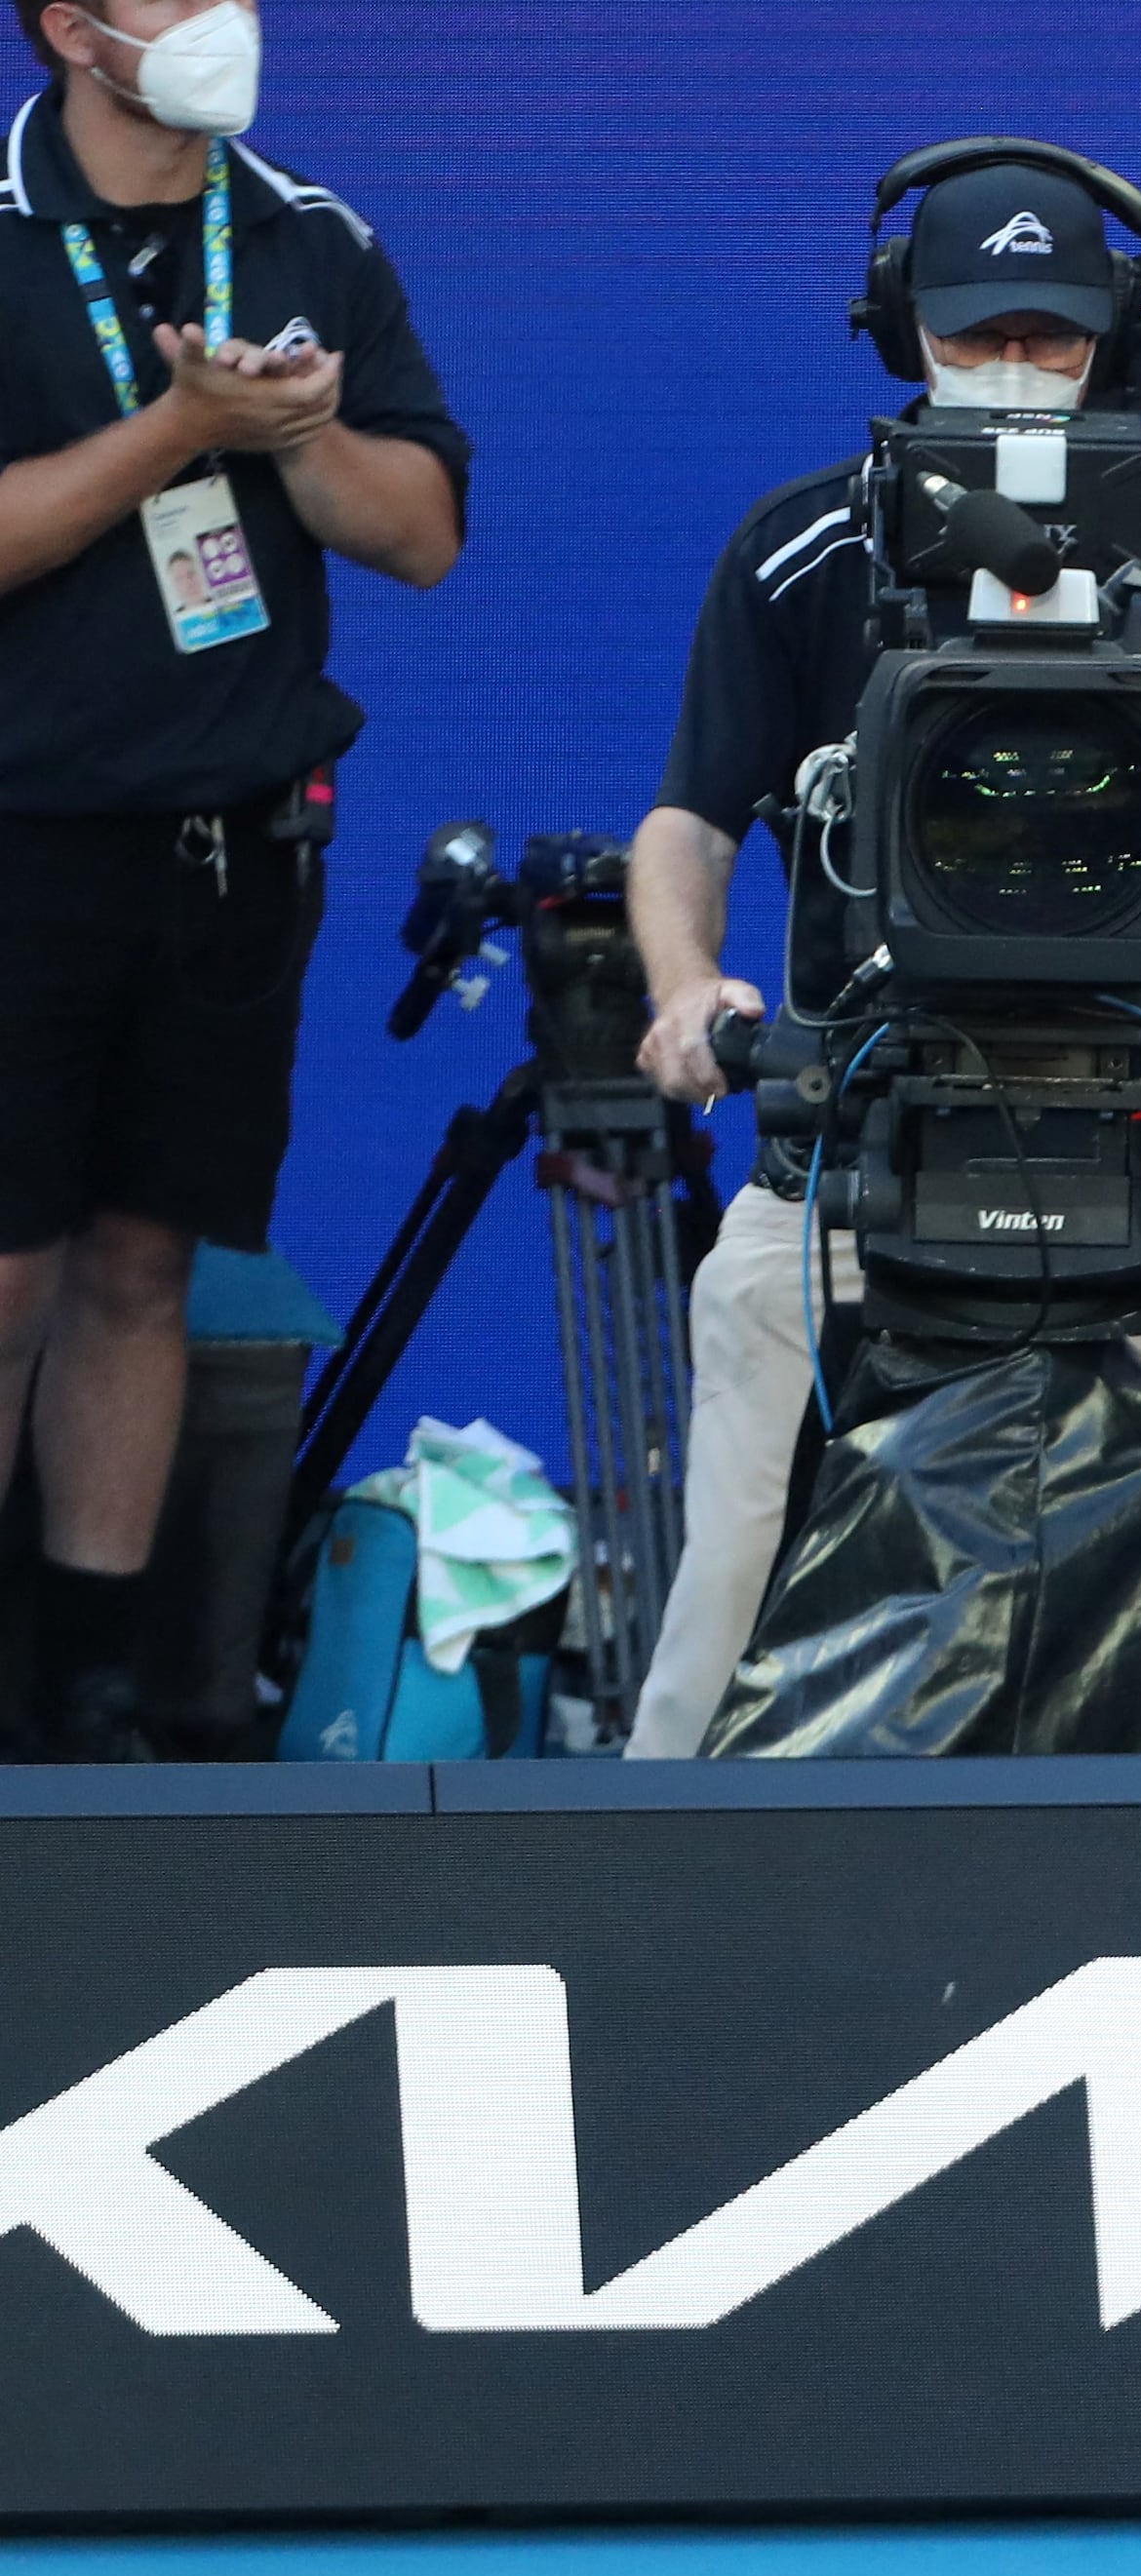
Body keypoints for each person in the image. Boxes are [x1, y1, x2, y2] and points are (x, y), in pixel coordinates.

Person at [621, 152, 1141, 1761]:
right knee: (728, 1596)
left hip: (1134, 1143)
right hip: (847, 1157)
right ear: (904, 331)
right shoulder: (800, 552)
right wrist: (685, 989)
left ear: (1111, 339)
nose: (1016, 372)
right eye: (978, 333)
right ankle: (644, 1918)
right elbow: (687, 818)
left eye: (1053, 336)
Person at [0, 0, 463, 1759]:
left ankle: (99, 1673)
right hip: (24, 836)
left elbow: (419, 532)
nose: (221, 25)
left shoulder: (309, 234)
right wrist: (176, 426)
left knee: (142, 1262)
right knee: (6, 1277)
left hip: (229, 846)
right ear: (71, 29)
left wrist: (291, 437)